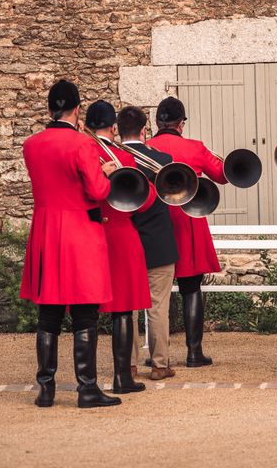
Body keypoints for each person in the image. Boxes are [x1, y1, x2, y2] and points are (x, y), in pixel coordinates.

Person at [20, 80, 121, 408]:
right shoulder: (82, 145)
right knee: (84, 314)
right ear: (77, 110)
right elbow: (97, 192)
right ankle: (87, 388)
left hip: (47, 232)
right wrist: (105, 172)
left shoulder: (31, 145)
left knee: (48, 315)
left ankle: (46, 388)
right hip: (79, 233)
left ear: (50, 109)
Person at [146, 97, 227, 367]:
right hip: (189, 221)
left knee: (160, 291)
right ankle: (194, 353)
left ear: (157, 122)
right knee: (191, 288)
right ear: (181, 124)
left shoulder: (145, 148)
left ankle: (160, 355)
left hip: (156, 222)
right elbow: (223, 175)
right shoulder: (195, 148)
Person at [85, 100, 156, 392]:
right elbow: (147, 200)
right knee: (123, 309)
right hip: (122, 235)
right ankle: (122, 377)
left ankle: (87, 381)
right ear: (113, 128)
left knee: (85, 312)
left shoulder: (83, 150)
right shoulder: (122, 157)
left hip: (90, 235)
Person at [117, 106, 180, 380]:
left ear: (117, 130)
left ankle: (128, 365)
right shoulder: (163, 159)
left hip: (124, 242)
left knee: (127, 308)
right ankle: (159, 364)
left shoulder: (113, 159)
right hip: (158, 241)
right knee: (158, 307)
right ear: (145, 131)